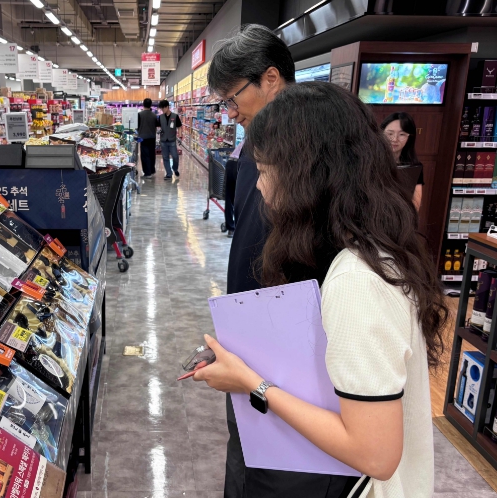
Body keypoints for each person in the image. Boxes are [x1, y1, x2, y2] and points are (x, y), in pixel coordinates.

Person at [192, 82, 447, 498]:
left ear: (306, 175)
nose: (259, 186)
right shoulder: (365, 245)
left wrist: (251, 383)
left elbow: (375, 455)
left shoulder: (357, 282)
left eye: (266, 171)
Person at [206, 24, 295, 497]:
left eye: (233, 97)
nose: (231, 112)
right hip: (249, 337)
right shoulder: (252, 150)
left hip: (286, 352)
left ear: (271, 79)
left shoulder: (312, 159)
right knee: (243, 457)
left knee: (271, 468)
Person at [380, 112, 424, 210]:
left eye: (402, 134)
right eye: (389, 133)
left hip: (400, 215)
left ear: (409, 137)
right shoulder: (370, 162)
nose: (394, 139)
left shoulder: (414, 167)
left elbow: (415, 204)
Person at [157, 99, 183, 179]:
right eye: (161, 108)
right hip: (163, 140)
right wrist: (159, 131)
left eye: (163, 108)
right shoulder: (160, 117)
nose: (162, 110)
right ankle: (169, 173)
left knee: (175, 156)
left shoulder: (175, 116)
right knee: (165, 157)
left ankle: (175, 169)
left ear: (167, 107)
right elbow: (158, 127)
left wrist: (180, 136)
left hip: (172, 140)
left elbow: (179, 127)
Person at [137, 98, 158, 177]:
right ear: (151, 105)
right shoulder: (154, 115)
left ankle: (147, 173)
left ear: (143, 104)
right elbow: (156, 126)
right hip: (152, 137)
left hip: (143, 137)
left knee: (145, 155)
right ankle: (152, 170)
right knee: (152, 154)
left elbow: (137, 126)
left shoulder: (139, 114)